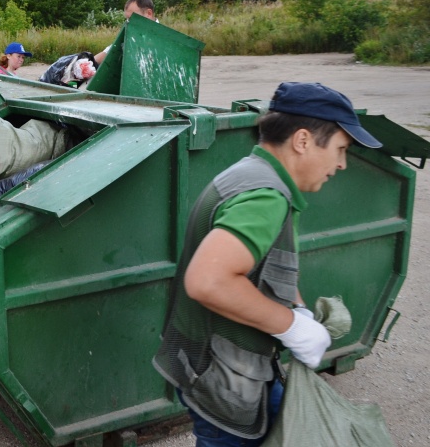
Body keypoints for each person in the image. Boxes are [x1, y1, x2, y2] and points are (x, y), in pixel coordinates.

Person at [153, 82, 383, 446]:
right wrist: (292, 326)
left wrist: (297, 307)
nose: (341, 163)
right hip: (223, 378)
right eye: (340, 149)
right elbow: (209, 281)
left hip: (214, 365)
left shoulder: (251, 173)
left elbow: (261, 262)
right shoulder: (265, 196)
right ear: (303, 140)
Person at [93, 0, 157, 65]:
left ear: (149, 13)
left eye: (132, 18)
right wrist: (88, 61)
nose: (129, 23)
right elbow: (109, 52)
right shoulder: (130, 34)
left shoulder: (164, 39)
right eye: (127, 19)